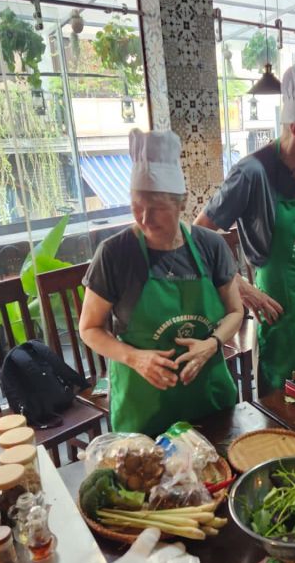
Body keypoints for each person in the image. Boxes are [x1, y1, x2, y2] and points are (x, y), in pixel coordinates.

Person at [194, 59, 295, 392]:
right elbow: (197, 239)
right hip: (284, 311)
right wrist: (240, 287)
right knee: (290, 401)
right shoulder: (251, 173)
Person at [79, 129, 243, 436]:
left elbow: (235, 311)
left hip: (207, 400)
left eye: (157, 208)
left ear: (181, 203)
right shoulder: (115, 254)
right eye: (136, 205)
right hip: (144, 410)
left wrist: (212, 344)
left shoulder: (210, 246)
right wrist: (135, 358)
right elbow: (89, 328)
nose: (144, 218)